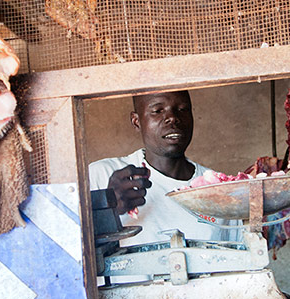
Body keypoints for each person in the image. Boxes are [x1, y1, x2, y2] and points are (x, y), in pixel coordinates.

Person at [89, 90, 240, 246]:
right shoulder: (101, 176)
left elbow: (240, 259)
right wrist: (107, 212)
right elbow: (70, 254)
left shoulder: (219, 189)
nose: (173, 118)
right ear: (136, 121)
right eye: (157, 111)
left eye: (182, 109)